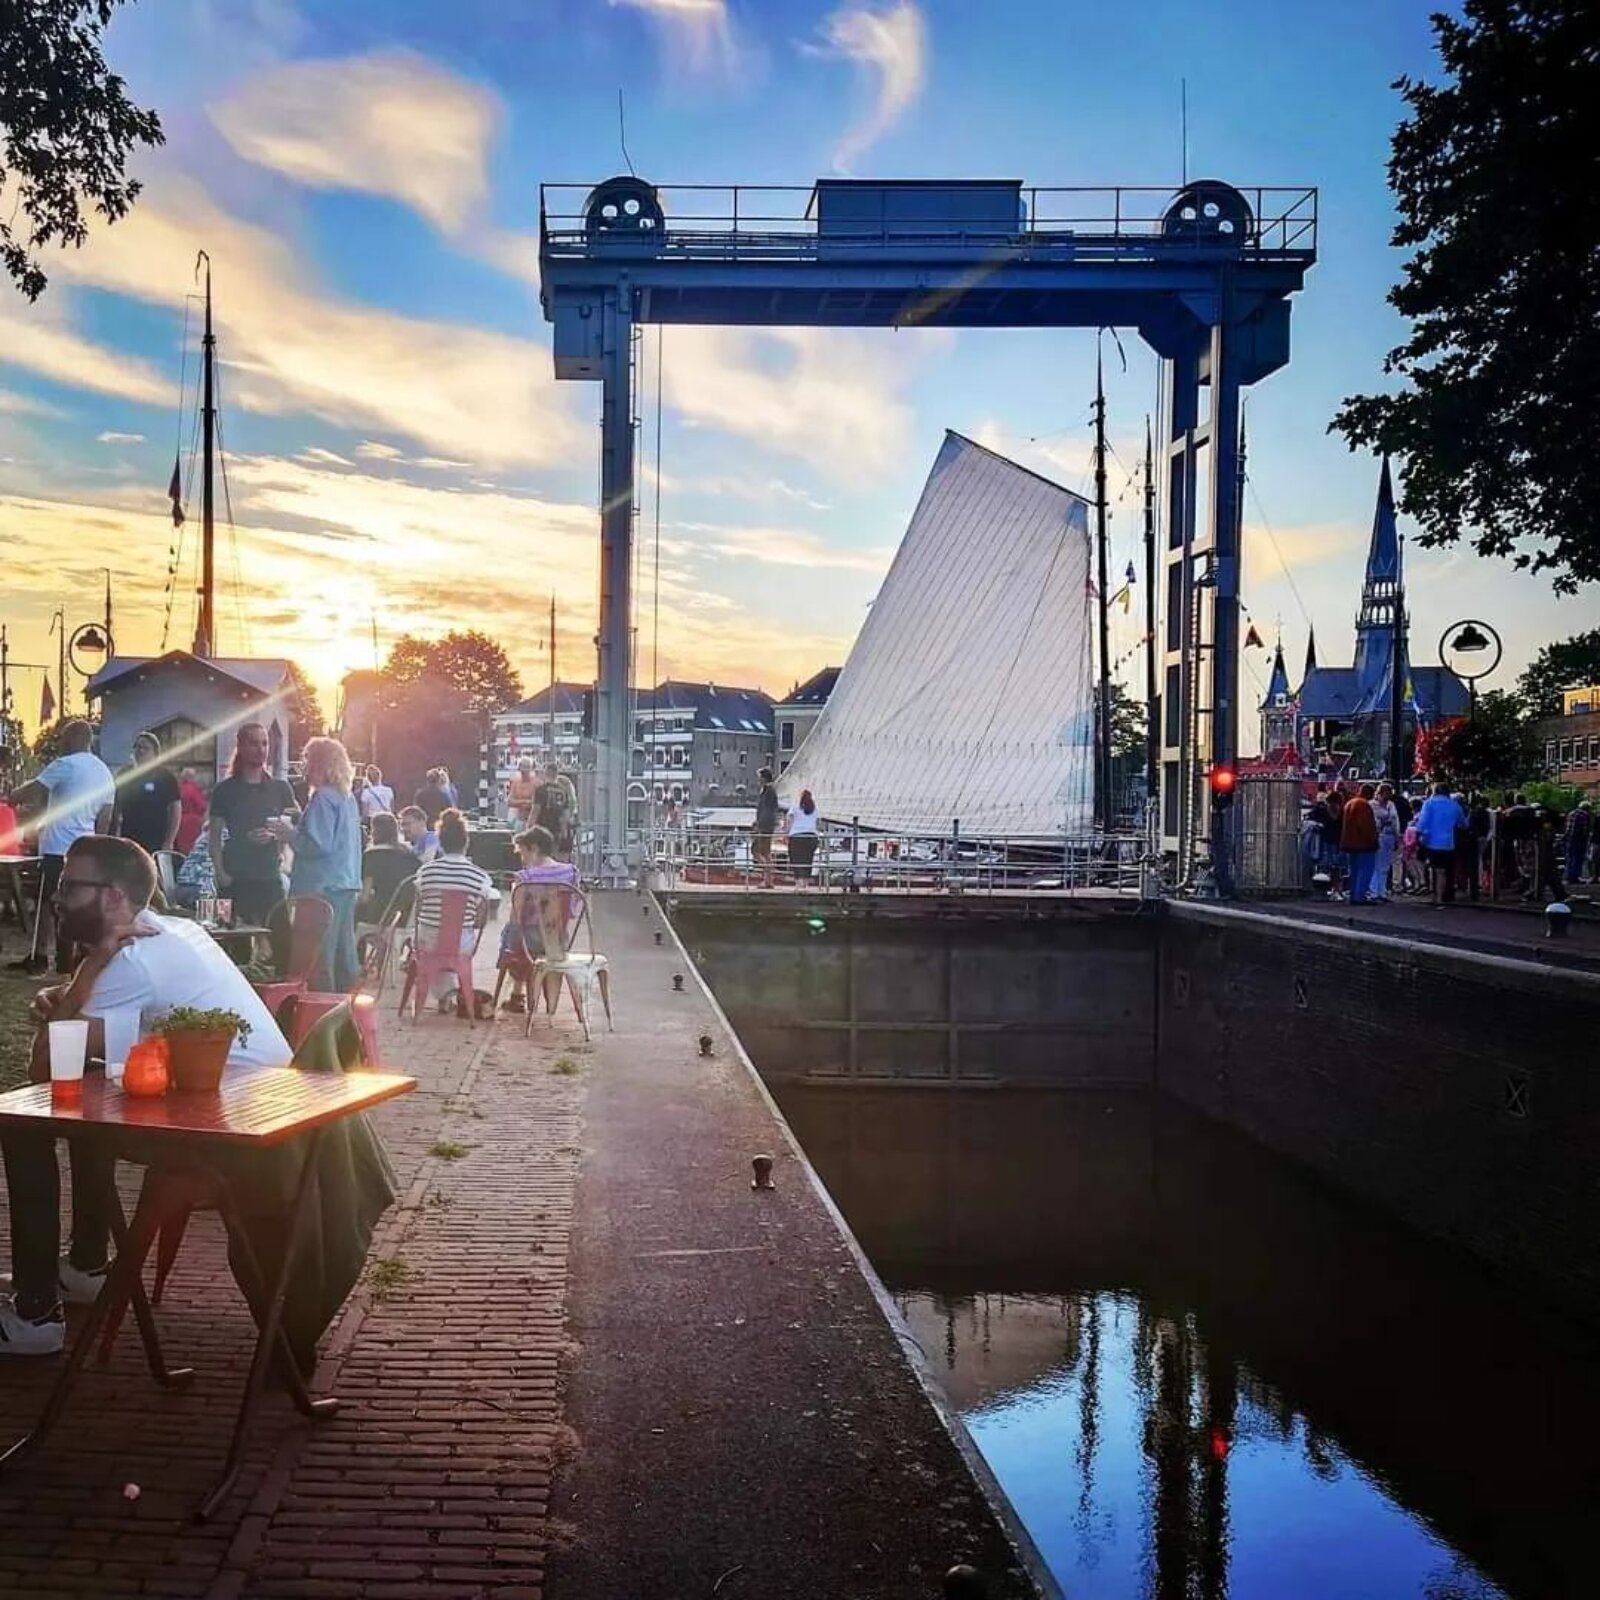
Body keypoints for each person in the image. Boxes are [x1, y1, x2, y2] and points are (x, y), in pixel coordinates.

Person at [0, 835, 288, 1353]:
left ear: (113, 898)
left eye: (70, 886)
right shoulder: (175, 929)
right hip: (258, 1102)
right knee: (89, 1090)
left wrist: (85, 975)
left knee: (23, 1119)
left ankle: (36, 1315)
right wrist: (73, 994)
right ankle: (87, 1264)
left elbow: (44, 1068)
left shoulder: (129, 961)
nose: (58, 898)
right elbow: (87, 1040)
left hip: (228, 1125)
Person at [13, 719, 115, 974]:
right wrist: (96, 848)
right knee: (78, 903)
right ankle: (69, 959)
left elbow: (32, 791)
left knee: (47, 903)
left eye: (62, 739)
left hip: (57, 847)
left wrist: (13, 795)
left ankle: (39, 957)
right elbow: (106, 815)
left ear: (71, 739)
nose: (59, 743)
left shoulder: (64, 765)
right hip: (84, 849)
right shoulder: (104, 772)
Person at [267, 736, 362, 993]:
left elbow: (318, 845)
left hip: (320, 888)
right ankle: (346, 1014)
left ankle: (320, 1014)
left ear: (318, 764)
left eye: (307, 760)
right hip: (346, 883)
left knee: (318, 959)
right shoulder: (346, 798)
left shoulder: (321, 797)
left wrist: (289, 833)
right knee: (344, 956)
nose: (304, 767)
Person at [207, 723, 299, 928]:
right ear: (241, 747)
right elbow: (213, 836)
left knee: (281, 941)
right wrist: (220, 873)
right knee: (227, 941)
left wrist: (274, 835)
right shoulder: (224, 790)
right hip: (233, 878)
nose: (261, 749)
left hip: (269, 876)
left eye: (265, 743)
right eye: (254, 743)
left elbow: (294, 826)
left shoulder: (281, 788)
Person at [412, 808, 491, 1012]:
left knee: (435, 936)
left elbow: (419, 907)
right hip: (461, 945)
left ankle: (444, 996)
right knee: (454, 934)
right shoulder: (480, 877)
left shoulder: (426, 872)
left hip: (427, 940)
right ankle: (449, 994)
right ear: (466, 842)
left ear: (441, 842)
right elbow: (481, 919)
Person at [497, 824, 579, 1013]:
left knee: (510, 935)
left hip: (532, 942)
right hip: (559, 939)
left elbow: (515, 916)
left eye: (523, 853)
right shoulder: (571, 872)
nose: (523, 860)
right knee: (517, 934)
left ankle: (517, 993)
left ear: (533, 849)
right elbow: (573, 910)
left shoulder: (525, 877)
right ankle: (525, 992)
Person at [113, 730, 180, 857]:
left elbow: (175, 810)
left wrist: (169, 841)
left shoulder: (165, 777)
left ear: (155, 753)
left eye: (145, 748)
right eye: (137, 747)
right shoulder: (124, 774)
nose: (140, 751)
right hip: (129, 839)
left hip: (156, 841)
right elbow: (116, 806)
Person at [358, 811, 418, 925]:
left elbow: (364, 897)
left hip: (380, 915)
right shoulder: (410, 856)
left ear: (374, 831)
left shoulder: (372, 856)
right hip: (405, 917)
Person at [1415, 783, 1468, 906]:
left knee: (1435, 869)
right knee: (1444, 870)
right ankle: (1442, 894)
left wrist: (1418, 835)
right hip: (1448, 842)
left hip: (1431, 841)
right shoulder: (1454, 805)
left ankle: (1437, 896)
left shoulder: (1429, 803)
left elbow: (1422, 823)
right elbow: (1463, 824)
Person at [1340, 782, 1381, 905]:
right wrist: (1373, 839)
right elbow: (1366, 826)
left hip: (1350, 843)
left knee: (1354, 870)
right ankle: (1360, 896)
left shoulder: (1350, 803)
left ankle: (1354, 894)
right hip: (1363, 844)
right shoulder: (1363, 805)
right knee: (1366, 869)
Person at [534, 763, 576, 859]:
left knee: (542, 856)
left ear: (545, 773)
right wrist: (564, 830)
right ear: (556, 774)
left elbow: (535, 811)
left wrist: (529, 827)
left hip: (542, 828)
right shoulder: (564, 791)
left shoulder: (541, 790)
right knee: (555, 856)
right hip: (557, 829)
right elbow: (566, 813)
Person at [783, 789, 820, 884]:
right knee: (808, 860)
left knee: (796, 859)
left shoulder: (795, 807)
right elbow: (817, 823)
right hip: (812, 837)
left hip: (797, 836)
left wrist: (786, 834)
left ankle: (799, 882)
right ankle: (806, 882)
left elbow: (789, 821)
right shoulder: (814, 809)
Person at [1372, 783, 1400, 901]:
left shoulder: (1391, 805)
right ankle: (1373, 891)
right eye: (1386, 793)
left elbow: (1395, 820)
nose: (1388, 796)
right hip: (1379, 835)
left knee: (1385, 866)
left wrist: (1397, 837)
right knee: (1376, 864)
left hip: (1390, 836)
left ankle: (1382, 891)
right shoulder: (1373, 805)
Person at [753, 767, 780, 888]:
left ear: (764, 778)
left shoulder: (768, 791)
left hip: (765, 826)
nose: (758, 779)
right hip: (767, 824)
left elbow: (767, 810)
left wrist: (760, 824)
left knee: (756, 850)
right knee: (766, 852)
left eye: (759, 777)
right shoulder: (768, 790)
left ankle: (767, 876)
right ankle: (769, 880)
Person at [174, 766, 208, 856]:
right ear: (190, 777)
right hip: (192, 823)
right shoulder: (193, 789)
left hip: (179, 821)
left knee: (181, 849)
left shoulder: (178, 788)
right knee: (191, 849)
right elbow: (201, 806)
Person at [1564, 802, 1592, 887]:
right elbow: (1585, 829)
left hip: (1569, 839)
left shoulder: (1571, 813)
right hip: (1579, 839)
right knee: (1578, 858)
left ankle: (1568, 877)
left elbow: (1567, 827)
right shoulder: (1585, 815)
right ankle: (1575, 877)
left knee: (1570, 857)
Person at [507, 758, 538, 828]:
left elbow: (536, 802)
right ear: (519, 768)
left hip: (532, 818)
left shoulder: (536, 783)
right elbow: (510, 802)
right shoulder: (516, 781)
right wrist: (525, 801)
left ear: (531, 768)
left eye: (527, 767)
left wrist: (526, 803)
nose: (525, 770)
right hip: (518, 817)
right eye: (523, 767)